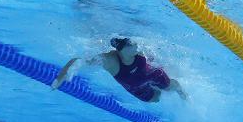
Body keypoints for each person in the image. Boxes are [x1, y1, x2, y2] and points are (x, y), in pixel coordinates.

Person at [52, 37, 187, 103]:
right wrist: (60, 77)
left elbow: (153, 55)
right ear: (122, 50)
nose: (136, 46)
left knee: (172, 86)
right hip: (135, 87)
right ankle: (156, 89)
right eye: (131, 45)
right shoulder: (110, 61)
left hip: (151, 74)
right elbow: (78, 60)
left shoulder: (139, 50)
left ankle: (185, 97)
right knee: (156, 99)